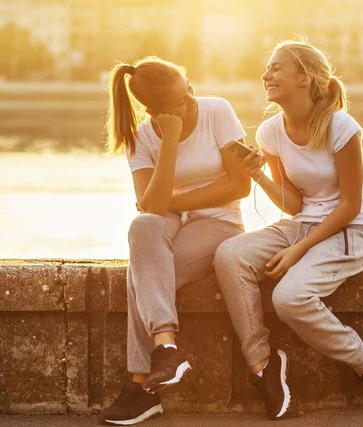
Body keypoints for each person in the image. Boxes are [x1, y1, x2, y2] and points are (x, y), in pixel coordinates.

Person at [213, 40, 363, 420]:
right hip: (303, 223)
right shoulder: (270, 132)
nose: (267, 75)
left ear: (305, 78)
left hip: (349, 231)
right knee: (229, 254)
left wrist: (299, 250)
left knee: (289, 298)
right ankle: (263, 366)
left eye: (277, 67)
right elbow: (295, 204)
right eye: (267, 68)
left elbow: (349, 205)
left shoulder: (340, 126)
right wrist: (258, 175)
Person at [100, 56, 251, 425]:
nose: (192, 100)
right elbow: (150, 209)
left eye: (189, 88)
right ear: (155, 111)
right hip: (167, 225)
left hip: (218, 223)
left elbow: (239, 184)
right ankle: (167, 347)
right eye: (181, 100)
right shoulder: (142, 135)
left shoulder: (217, 111)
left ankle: (140, 387)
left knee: (140, 275)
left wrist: (174, 201)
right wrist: (169, 139)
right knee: (141, 229)